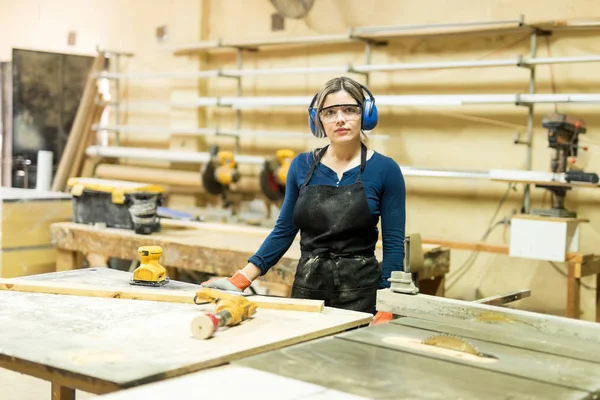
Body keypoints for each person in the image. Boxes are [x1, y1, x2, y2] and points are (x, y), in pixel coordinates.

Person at [202, 76, 406, 324]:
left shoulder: (385, 170)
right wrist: (242, 279)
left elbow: (394, 244)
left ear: (366, 114)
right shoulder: (301, 166)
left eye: (350, 110)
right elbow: (284, 230)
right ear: (318, 119)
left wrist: (387, 304)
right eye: (330, 112)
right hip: (308, 294)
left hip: (363, 296)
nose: (340, 119)